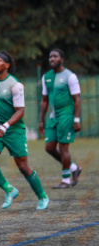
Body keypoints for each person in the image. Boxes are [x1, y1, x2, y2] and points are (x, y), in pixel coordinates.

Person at [0, 51, 49, 210]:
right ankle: (9, 189)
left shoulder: (15, 85)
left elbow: (20, 111)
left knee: (23, 167)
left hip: (14, 130)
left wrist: (6, 126)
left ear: (6, 65)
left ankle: (42, 196)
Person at [38, 48, 82, 189]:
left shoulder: (70, 76)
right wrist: (41, 121)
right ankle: (74, 168)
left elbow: (77, 99)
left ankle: (66, 180)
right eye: (50, 57)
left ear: (62, 59)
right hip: (53, 116)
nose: (52, 59)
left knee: (63, 148)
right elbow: (44, 100)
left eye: (55, 56)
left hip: (67, 115)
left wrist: (76, 119)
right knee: (49, 147)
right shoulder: (46, 77)